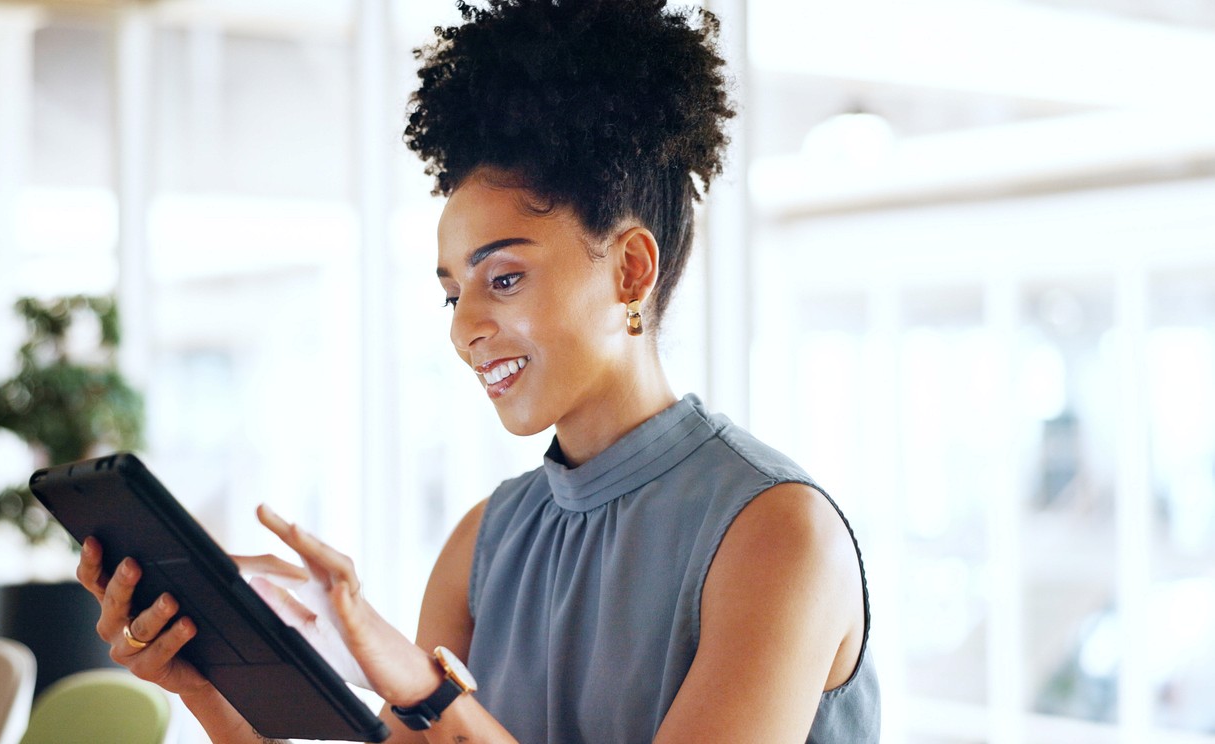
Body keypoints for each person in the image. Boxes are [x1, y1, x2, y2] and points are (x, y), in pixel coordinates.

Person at [76, 1, 880, 741]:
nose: (464, 329)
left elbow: (436, 710)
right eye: (452, 293)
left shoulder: (777, 533)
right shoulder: (483, 542)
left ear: (631, 270)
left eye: (504, 278)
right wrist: (210, 687)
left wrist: (425, 689)